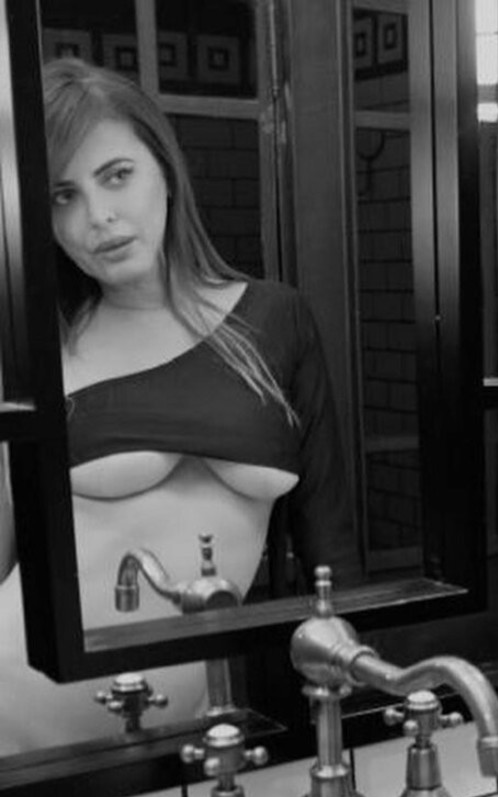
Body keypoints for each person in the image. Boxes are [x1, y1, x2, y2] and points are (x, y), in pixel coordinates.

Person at [0, 58, 358, 754]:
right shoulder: (38, 352)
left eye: (116, 176)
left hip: (187, 726)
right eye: (63, 196)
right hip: (18, 716)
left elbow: (331, 554)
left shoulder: (275, 322)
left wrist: (351, 707)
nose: (98, 217)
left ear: (164, 168)